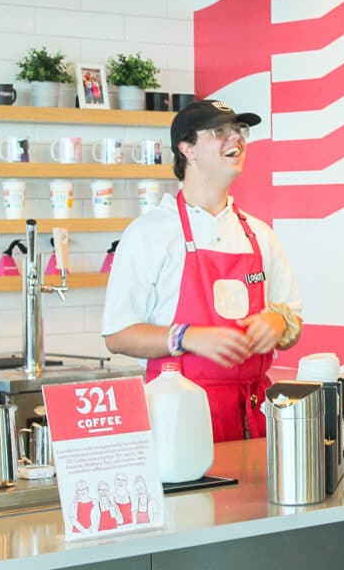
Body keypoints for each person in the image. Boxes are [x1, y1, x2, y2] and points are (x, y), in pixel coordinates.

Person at [102, 99, 303, 443]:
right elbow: (118, 336)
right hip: (178, 422)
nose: (236, 139)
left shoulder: (259, 235)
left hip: (253, 421)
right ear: (187, 149)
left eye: (240, 130)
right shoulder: (150, 233)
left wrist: (278, 322)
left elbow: (293, 321)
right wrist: (186, 336)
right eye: (219, 131)